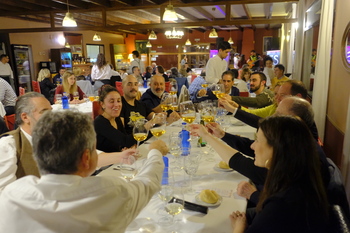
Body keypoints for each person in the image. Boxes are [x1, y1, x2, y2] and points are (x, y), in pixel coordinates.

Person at [0, 110, 168, 232]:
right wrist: (155, 152)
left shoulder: (11, 196)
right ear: (86, 158)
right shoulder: (111, 192)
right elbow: (148, 182)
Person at [229, 116, 330, 233]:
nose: (252, 146)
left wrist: (239, 227)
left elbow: (275, 213)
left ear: (277, 149)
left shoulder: (282, 204)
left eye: (257, 140)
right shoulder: (300, 177)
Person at [94, 85, 136, 152]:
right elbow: (126, 141)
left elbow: (124, 141)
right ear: (102, 104)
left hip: (117, 159)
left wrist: (125, 147)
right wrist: (146, 127)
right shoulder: (100, 123)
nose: (117, 105)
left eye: (119, 101)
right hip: (104, 161)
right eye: (112, 101)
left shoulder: (116, 118)